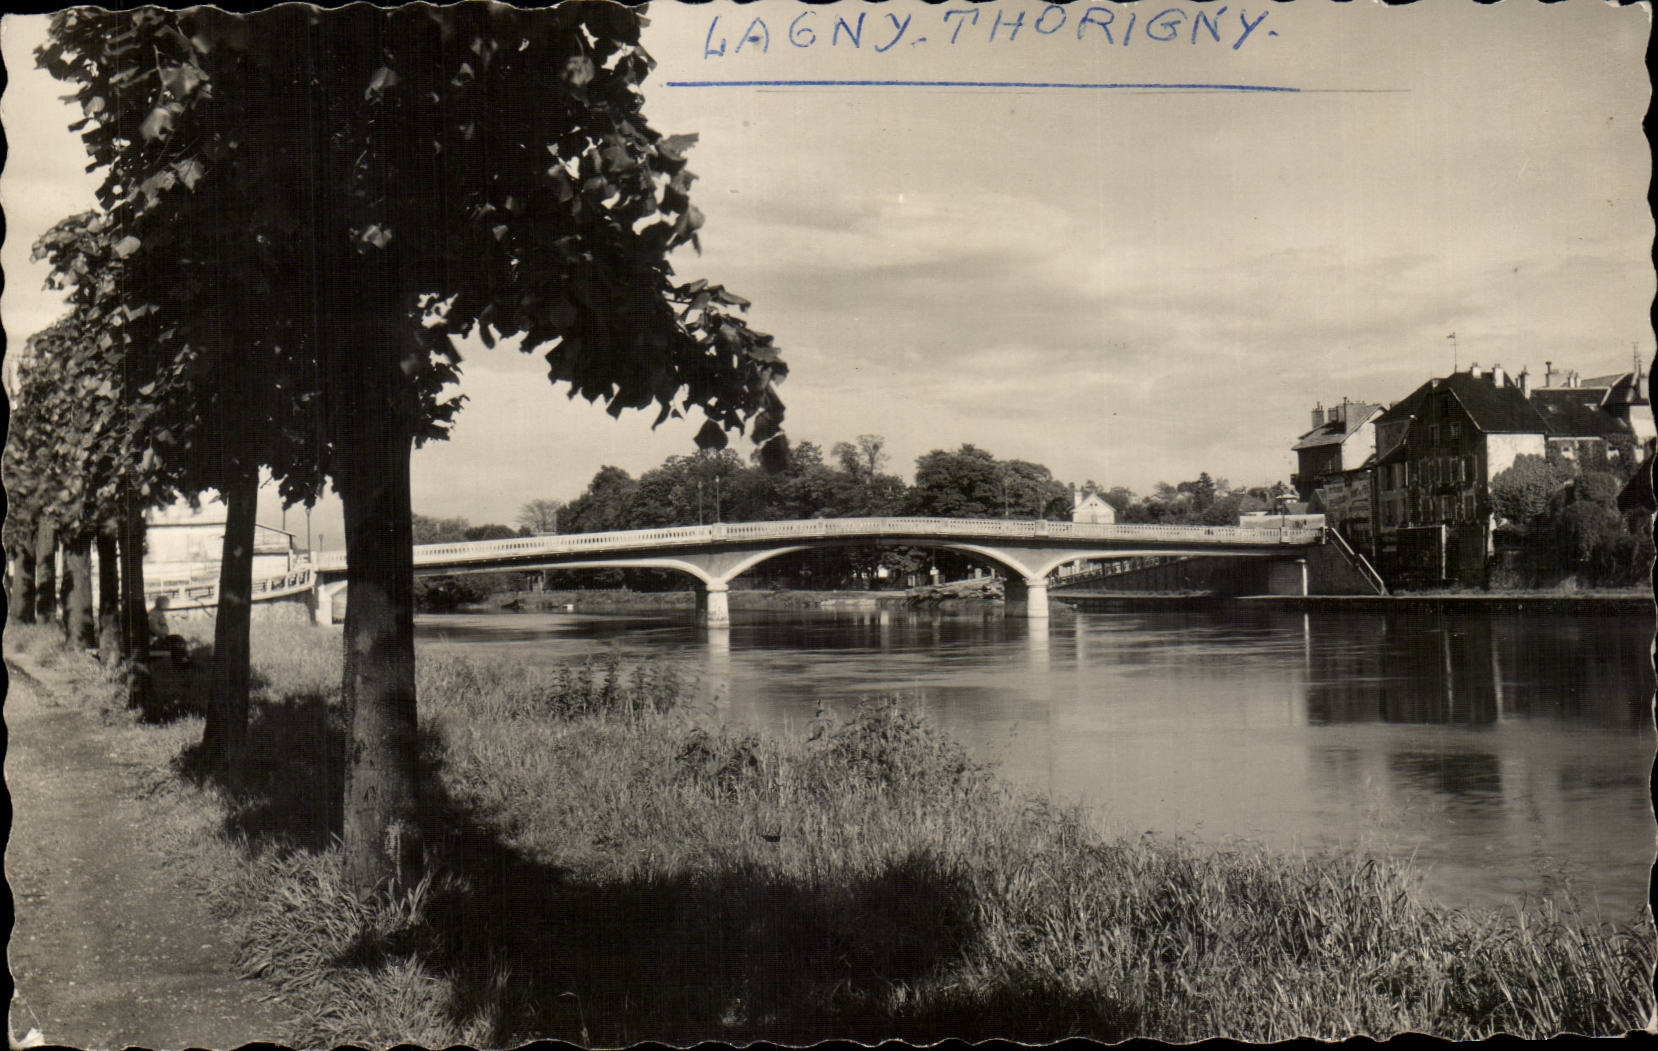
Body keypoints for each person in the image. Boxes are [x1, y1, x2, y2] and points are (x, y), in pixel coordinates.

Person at [148, 595, 191, 667]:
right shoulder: (153, 614)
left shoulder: (159, 613)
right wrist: (164, 633)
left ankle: (183, 659)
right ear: (162, 604)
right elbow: (155, 629)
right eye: (167, 604)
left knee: (178, 639)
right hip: (155, 639)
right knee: (176, 641)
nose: (168, 606)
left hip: (161, 637)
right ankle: (180, 663)